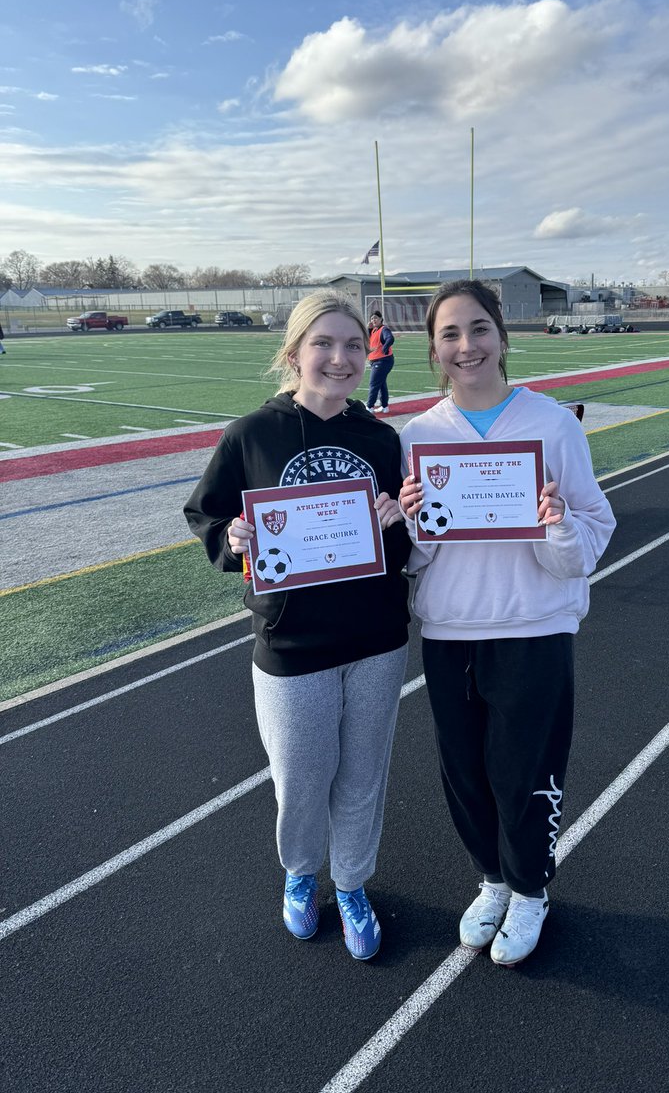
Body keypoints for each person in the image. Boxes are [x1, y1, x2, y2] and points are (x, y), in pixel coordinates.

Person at [184, 292, 411, 961]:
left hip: (375, 639)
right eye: (324, 344)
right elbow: (206, 514)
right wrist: (231, 537)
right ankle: (301, 873)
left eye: (353, 345)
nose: (341, 358)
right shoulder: (251, 435)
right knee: (301, 779)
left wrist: (398, 522)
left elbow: (404, 544)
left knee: (363, 778)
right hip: (292, 641)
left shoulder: (380, 439)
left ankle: (352, 884)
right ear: (294, 353)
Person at [398, 279, 616, 967]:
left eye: (479, 329)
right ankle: (492, 879)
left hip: (533, 630)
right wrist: (414, 521)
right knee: (465, 774)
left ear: (502, 335)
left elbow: (592, 532)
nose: (467, 346)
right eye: (450, 334)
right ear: (434, 350)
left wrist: (557, 524)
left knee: (525, 772)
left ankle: (529, 889)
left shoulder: (552, 424)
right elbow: (417, 556)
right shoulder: (419, 436)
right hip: (450, 632)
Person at [366, 308, 395, 414]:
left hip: (382, 361)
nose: (373, 320)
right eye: (372, 318)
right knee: (381, 384)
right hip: (376, 361)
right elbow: (368, 340)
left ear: (381, 319)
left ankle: (369, 407)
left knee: (373, 383)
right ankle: (384, 406)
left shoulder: (384, 329)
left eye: (376, 318)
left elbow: (390, 338)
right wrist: (369, 329)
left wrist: (385, 348)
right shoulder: (374, 330)